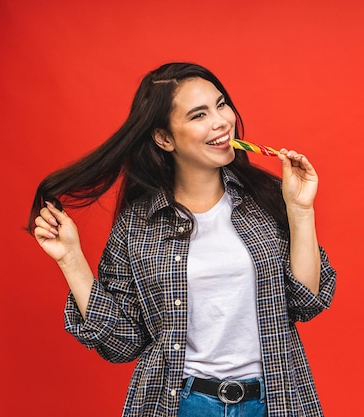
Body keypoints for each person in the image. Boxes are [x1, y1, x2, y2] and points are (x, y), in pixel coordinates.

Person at [27, 62, 336, 417]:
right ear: (164, 138)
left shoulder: (266, 201)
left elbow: (306, 302)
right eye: (198, 115)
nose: (221, 121)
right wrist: (70, 259)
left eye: (221, 104)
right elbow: (123, 343)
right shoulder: (139, 224)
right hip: (180, 404)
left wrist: (300, 210)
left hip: (274, 399)